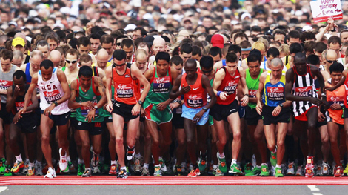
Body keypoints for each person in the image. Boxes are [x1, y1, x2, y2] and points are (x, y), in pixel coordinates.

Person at [105, 50, 150, 178]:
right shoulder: (110, 70)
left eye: (121, 65)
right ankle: (122, 167)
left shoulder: (133, 70)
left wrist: (139, 104)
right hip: (119, 106)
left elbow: (147, 85)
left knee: (131, 140)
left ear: (126, 61)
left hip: (133, 107)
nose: (119, 67)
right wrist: (109, 101)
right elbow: (107, 87)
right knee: (118, 138)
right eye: (116, 65)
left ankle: (131, 148)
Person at [23, 59, 70, 178]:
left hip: (61, 108)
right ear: (40, 70)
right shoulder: (36, 77)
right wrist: (24, 107)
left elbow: (67, 94)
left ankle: (63, 155)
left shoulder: (59, 74)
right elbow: (29, 92)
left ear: (52, 70)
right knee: (44, 137)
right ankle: (50, 168)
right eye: (44, 74)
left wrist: (55, 103)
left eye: (48, 74)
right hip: (46, 108)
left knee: (62, 140)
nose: (46, 76)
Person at [170, 59, 216, 177]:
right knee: (189, 139)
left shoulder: (203, 79)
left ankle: (204, 156)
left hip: (202, 110)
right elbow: (171, 94)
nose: (189, 73)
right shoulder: (181, 78)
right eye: (187, 71)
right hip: (188, 110)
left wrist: (202, 111)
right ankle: (194, 166)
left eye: (192, 71)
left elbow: (213, 98)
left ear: (196, 70)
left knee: (202, 141)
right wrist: (181, 91)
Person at [284, 52, 325, 177]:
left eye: (302, 64)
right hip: (299, 104)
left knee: (312, 125)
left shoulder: (313, 70)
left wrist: (321, 93)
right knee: (301, 136)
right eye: (298, 64)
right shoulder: (291, 72)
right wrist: (308, 98)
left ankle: (310, 159)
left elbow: (322, 79)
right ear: (294, 64)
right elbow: (287, 95)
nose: (300, 67)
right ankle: (307, 159)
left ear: (306, 63)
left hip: (312, 103)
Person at [211, 52, 249, 175]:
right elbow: (212, 89)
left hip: (231, 104)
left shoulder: (241, 71)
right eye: (230, 66)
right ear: (226, 64)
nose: (232, 69)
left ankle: (233, 163)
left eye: (234, 66)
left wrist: (247, 95)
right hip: (218, 106)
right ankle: (221, 156)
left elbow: (244, 85)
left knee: (237, 133)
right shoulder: (221, 73)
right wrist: (219, 94)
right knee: (222, 140)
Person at [143, 52, 178, 176]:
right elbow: (139, 87)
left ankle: (161, 157)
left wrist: (167, 102)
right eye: (159, 65)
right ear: (155, 64)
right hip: (151, 107)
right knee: (155, 140)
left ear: (168, 64)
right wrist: (140, 104)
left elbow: (176, 92)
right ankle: (157, 165)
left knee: (167, 141)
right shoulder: (150, 73)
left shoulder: (173, 73)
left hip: (165, 107)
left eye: (164, 65)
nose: (162, 68)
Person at [256, 58, 292, 177]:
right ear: (270, 68)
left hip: (283, 109)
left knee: (280, 141)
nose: (275, 73)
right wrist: (258, 102)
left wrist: (281, 106)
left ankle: (278, 167)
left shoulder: (286, 77)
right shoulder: (264, 77)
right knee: (271, 144)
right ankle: (273, 153)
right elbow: (259, 91)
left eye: (278, 70)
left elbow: (290, 99)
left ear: (282, 68)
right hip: (268, 109)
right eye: (273, 70)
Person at [68, 66, 106, 177]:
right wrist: (82, 104)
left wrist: (94, 109)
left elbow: (104, 98)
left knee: (97, 148)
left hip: (97, 116)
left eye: (88, 80)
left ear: (91, 78)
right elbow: (70, 104)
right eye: (83, 80)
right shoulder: (74, 84)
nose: (85, 82)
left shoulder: (97, 81)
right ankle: (87, 168)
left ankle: (95, 156)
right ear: (79, 78)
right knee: (85, 143)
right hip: (82, 117)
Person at [7, 70, 39, 176]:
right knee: (12, 138)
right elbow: (8, 108)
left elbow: (35, 105)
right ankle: (19, 159)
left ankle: (31, 164)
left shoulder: (30, 88)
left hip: (29, 117)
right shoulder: (11, 90)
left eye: (20, 84)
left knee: (31, 144)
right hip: (16, 117)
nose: (18, 86)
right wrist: (15, 97)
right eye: (15, 84)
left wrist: (22, 110)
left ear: (25, 82)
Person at [243, 50, 268, 176]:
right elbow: (241, 94)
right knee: (252, 139)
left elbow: (265, 97)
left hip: (262, 109)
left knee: (258, 136)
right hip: (249, 109)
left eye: (256, 66)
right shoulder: (244, 74)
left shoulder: (264, 75)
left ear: (261, 64)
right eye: (251, 67)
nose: (253, 69)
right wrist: (249, 99)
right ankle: (258, 165)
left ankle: (265, 164)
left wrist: (250, 98)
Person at [325, 62, 345, 177]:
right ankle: (337, 166)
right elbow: (321, 100)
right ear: (330, 74)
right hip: (331, 115)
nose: (336, 78)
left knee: (343, 143)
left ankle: (340, 161)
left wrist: (341, 106)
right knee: (332, 140)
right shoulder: (325, 85)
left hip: (344, 115)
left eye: (339, 75)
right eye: (334, 75)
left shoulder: (345, 86)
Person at [0, 50, 17, 175]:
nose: (4, 67)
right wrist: (7, 92)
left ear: (11, 61)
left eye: (6, 64)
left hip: (11, 106)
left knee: (9, 137)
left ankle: (8, 163)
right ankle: (1, 160)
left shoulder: (16, 71)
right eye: (2, 64)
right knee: (0, 133)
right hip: (0, 105)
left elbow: (16, 91)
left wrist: (4, 92)